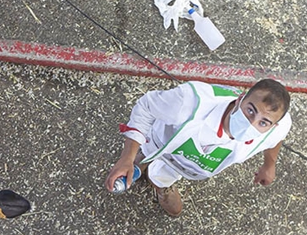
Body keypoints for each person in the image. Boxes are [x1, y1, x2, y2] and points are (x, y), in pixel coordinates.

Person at [104, 78, 292, 217]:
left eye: (263, 122)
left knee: (166, 174)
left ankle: (162, 182)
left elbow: (277, 139)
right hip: (161, 141)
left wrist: (269, 165)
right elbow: (146, 107)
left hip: (186, 167)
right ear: (239, 99)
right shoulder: (191, 102)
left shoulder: (276, 129)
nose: (251, 123)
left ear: (271, 127)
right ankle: (142, 161)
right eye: (250, 110)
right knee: (145, 151)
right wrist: (126, 157)